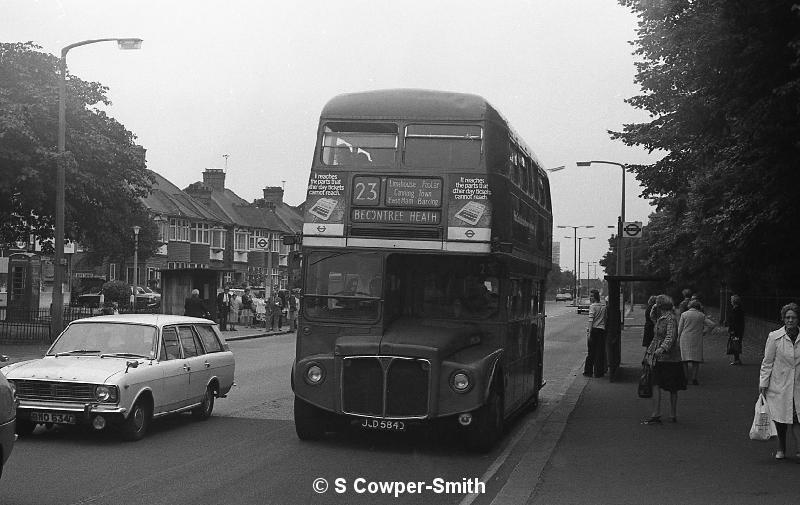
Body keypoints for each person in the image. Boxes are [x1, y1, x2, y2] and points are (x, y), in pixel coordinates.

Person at [758, 302, 800, 461]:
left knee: (797, 418)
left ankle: (799, 450)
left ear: (798, 319)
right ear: (783, 318)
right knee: (781, 420)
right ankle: (781, 448)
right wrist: (763, 383)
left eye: (794, 317)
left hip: (797, 385)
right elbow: (767, 362)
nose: (790, 320)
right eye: (788, 317)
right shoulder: (774, 337)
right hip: (779, 385)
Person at [642, 294, 687, 424]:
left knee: (673, 387)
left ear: (661, 306)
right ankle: (656, 413)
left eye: (657, 304)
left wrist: (662, 349)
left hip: (671, 358)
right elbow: (652, 319)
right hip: (658, 358)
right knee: (655, 383)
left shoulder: (670, 319)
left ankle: (673, 414)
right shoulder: (659, 319)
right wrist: (650, 352)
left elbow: (670, 336)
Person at [678, 299, 716, 385]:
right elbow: (712, 324)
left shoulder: (684, 314)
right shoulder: (701, 315)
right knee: (695, 360)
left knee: (684, 360)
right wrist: (705, 331)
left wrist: (678, 338)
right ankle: (694, 378)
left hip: (685, 338)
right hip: (696, 338)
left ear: (690, 306)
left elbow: (680, 328)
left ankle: (685, 378)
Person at [583, 289, 607, 378]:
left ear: (595, 297)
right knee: (600, 352)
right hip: (602, 331)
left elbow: (591, 320)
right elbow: (605, 319)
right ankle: (598, 372)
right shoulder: (603, 306)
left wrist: (589, 332)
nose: (590, 297)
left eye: (592, 296)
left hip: (594, 330)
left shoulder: (593, 306)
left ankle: (588, 371)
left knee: (591, 352)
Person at [726, 294, 745, 365]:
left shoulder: (736, 310)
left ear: (734, 301)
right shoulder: (738, 309)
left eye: (731, 300)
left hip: (736, 330)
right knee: (736, 343)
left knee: (735, 343)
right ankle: (736, 359)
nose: (730, 301)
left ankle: (737, 359)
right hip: (738, 330)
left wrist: (732, 330)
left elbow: (735, 321)